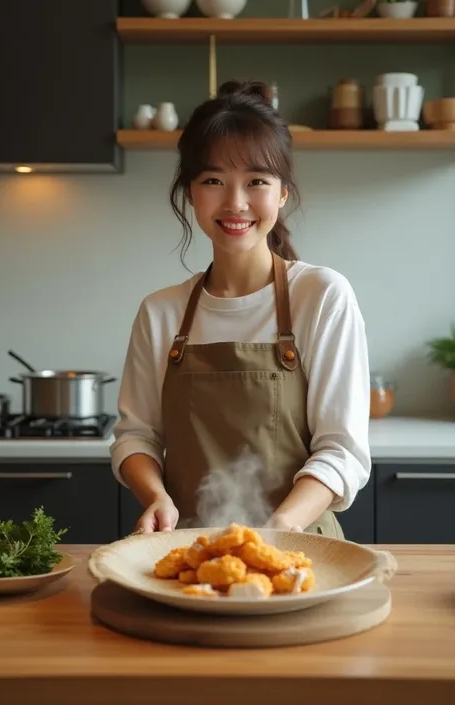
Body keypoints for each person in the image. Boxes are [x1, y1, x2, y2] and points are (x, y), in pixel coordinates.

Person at [110, 80, 371, 537]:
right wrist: (156, 497)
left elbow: (342, 450)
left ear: (282, 193)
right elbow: (137, 437)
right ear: (190, 193)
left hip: (298, 549)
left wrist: (278, 528)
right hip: (187, 550)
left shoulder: (322, 295)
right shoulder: (161, 313)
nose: (235, 203)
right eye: (213, 181)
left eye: (256, 182)